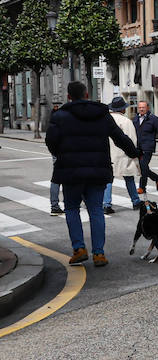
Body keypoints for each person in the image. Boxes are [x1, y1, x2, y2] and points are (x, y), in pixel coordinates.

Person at [46, 81, 140, 267]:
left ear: (69, 96)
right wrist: (135, 153)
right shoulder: (102, 115)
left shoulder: (60, 116)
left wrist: (61, 154)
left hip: (71, 171)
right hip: (97, 169)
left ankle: (79, 249)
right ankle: (99, 254)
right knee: (96, 210)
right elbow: (120, 138)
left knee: (72, 208)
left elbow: (51, 141)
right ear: (87, 95)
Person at [102, 96, 142, 215]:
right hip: (124, 153)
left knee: (109, 180)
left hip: (109, 154)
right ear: (122, 109)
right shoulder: (126, 121)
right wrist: (135, 153)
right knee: (129, 178)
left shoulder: (106, 119)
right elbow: (132, 139)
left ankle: (106, 204)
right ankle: (135, 201)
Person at [133, 99, 158, 193]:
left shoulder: (154, 119)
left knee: (143, 166)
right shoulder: (135, 119)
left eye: (143, 107)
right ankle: (157, 178)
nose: (141, 109)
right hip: (138, 147)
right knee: (142, 167)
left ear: (147, 108)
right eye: (139, 107)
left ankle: (142, 187)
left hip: (148, 147)